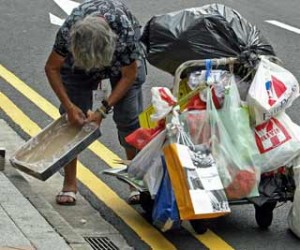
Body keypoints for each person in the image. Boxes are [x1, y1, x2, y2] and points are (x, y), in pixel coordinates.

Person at [45, 0, 146, 205]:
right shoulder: (69, 31)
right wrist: (70, 106)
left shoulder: (124, 33)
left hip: (122, 64)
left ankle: (135, 178)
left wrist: (102, 110)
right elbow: (52, 68)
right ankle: (69, 183)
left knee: (128, 119)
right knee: (71, 121)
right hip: (78, 66)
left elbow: (129, 75)